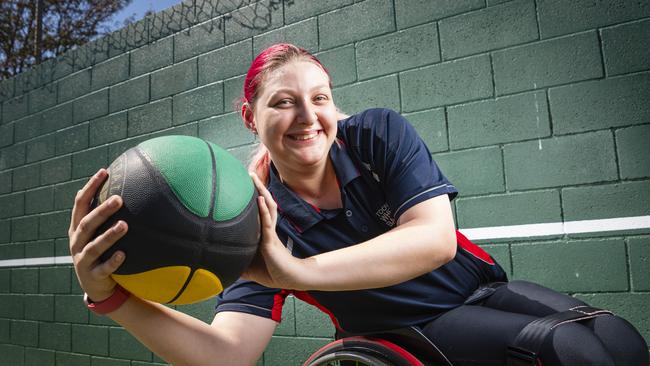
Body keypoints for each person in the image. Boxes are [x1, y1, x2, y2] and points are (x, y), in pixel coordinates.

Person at [68, 43, 649, 366]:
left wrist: (295, 270)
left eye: (319, 97)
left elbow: (434, 240)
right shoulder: (247, 217)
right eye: (283, 102)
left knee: (618, 339)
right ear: (250, 118)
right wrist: (111, 296)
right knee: (571, 353)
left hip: (478, 288)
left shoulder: (376, 136)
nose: (307, 116)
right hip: (403, 328)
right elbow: (227, 355)